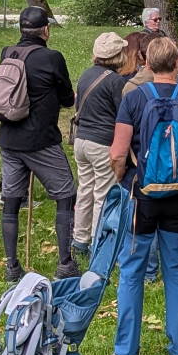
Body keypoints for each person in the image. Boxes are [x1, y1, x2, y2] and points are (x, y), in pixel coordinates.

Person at [108, 37, 178, 355]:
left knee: (131, 271)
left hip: (141, 196)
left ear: (147, 64)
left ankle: (125, 353)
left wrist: (125, 179)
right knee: (177, 270)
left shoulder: (134, 98)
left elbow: (116, 153)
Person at [0, 6, 78, 282]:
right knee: (65, 194)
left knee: (11, 199)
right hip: (40, 140)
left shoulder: (8, 53)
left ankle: (12, 266)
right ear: (46, 30)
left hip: (9, 138)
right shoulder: (52, 58)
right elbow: (67, 99)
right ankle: (65, 263)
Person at [72, 32, 134, 248]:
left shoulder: (86, 74)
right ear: (119, 55)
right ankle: (98, 243)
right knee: (103, 195)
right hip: (102, 142)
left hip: (81, 141)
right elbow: (123, 114)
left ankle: (80, 238)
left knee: (85, 190)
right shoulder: (116, 81)